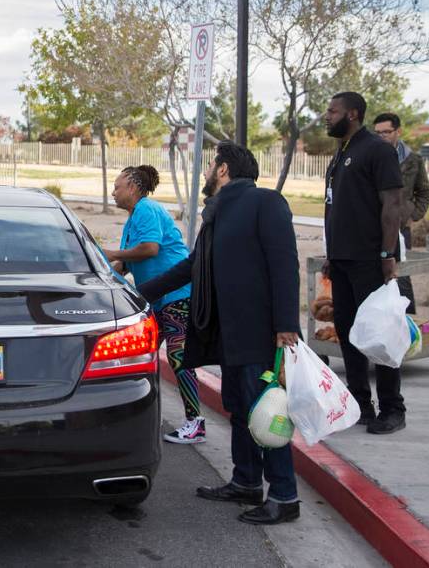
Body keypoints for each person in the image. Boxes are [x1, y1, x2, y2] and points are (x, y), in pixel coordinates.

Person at [138, 142, 301, 525]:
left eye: (212, 164)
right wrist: (138, 293)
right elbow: (192, 266)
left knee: (266, 413)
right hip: (225, 332)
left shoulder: (266, 203)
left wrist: (286, 327)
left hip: (260, 332)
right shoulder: (217, 213)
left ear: (224, 169)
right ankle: (246, 481)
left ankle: (284, 495)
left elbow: (285, 265)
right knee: (240, 409)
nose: (209, 171)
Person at [324, 93, 406, 434]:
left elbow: (392, 205)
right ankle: (360, 404)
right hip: (341, 260)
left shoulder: (377, 150)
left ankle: (392, 408)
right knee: (349, 333)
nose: (327, 116)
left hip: (370, 259)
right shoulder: (342, 151)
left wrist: (388, 255)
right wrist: (331, 255)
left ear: (353, 114)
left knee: (379, 333)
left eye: (333, 111)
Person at [104, 165, 204, 444]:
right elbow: (125, 263)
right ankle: (139, 417)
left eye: (118, 185)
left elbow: (150, 248)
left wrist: (110, 252)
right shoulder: (133, 218)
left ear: (133, 187)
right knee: (140, 357)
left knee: (178, 354)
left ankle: (195, 423)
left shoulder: (147, 208)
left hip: (177, 293)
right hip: (155, 299)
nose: (114, 191)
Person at [372, 112, 429, 314]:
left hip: (400, 228)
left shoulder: (412, 160)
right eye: (377, 133)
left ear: (398, 131)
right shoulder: (370, 156)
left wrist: (411, 215)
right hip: (372, 225)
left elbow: (424, 192)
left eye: (386, 132)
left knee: (401, 276)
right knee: (373, 276)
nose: (381, 137)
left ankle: (407, 322)